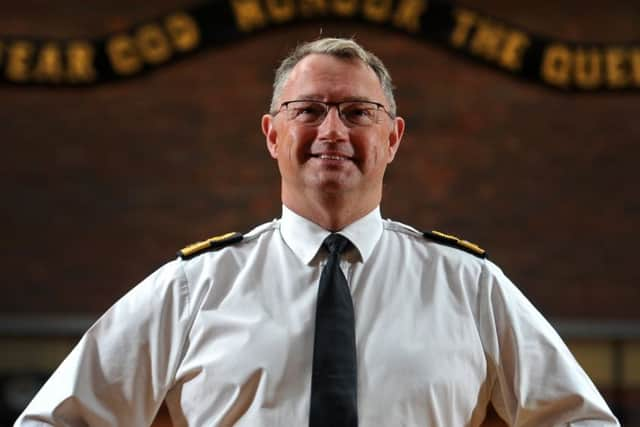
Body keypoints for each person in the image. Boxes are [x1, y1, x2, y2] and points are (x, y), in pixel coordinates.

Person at [15, 37, 618, 426]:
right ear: (273, 135)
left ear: (393, 138)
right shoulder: (192, 288)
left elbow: (583, 420)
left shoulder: (469, 286)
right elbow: (54, 420)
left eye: (357, 112)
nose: (332, 130)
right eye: (308, 110)